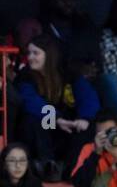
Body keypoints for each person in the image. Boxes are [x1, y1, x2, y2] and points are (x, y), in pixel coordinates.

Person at [14, 34, 98, 176]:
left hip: (65, 129)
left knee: (87, 126)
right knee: (33, 118)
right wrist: (57, 119)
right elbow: (31, 101)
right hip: (43, 132)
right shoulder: (25, 75)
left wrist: (84, 119)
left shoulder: (67, 73)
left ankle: (71, 169)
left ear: (49, 55)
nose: (30, 57)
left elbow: (88, 97)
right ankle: (47, 165)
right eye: (29, 53)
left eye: (36, 53)